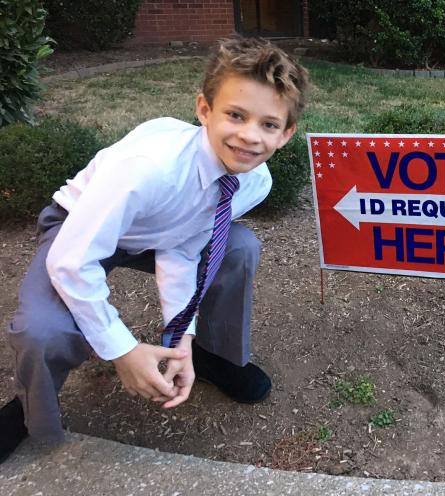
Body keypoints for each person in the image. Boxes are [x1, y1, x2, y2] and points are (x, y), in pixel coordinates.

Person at [0, 36, 309, 464]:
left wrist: (180, 336)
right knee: (44, 330)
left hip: (158, 233)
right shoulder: (150, 168)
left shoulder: (255, 183)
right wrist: (123, 350)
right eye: (235, 115)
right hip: (82, 226)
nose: (248, 136)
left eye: (268, 124)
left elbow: (182, 247)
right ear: (204, 110)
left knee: (238, 247)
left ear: (287, 133)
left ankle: (211, 357)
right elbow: (71, 261)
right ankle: (30, 410)